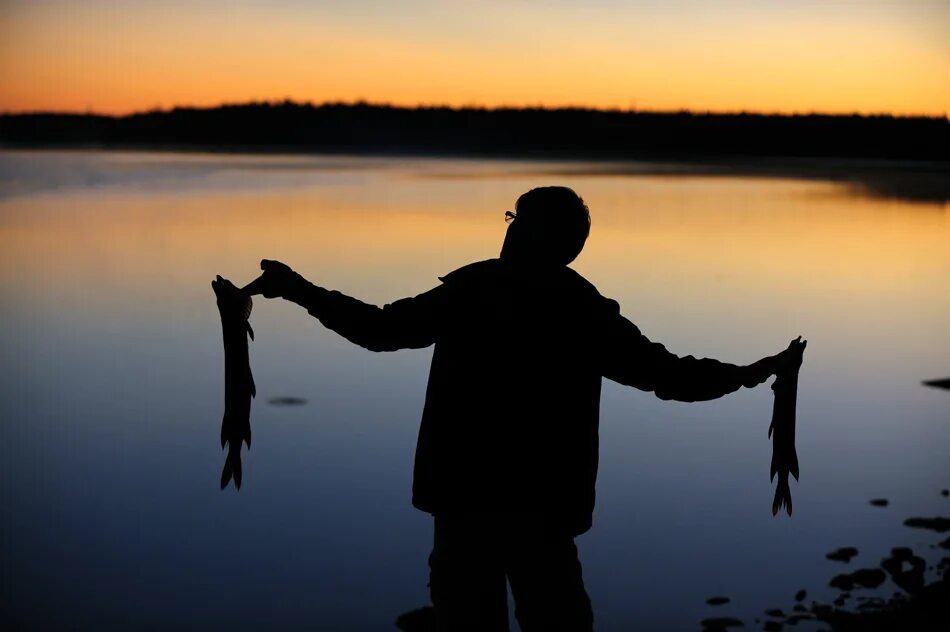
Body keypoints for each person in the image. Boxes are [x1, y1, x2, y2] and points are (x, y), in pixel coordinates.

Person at [243, 186, 796, 632]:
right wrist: (750, 373)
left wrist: (298, 290)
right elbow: (669, 375)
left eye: (515, 217)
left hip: (467, 501)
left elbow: (380, 330)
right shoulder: (583, 310)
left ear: (530, 231)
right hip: (544, 507)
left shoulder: (475, 291)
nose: (507, 227)